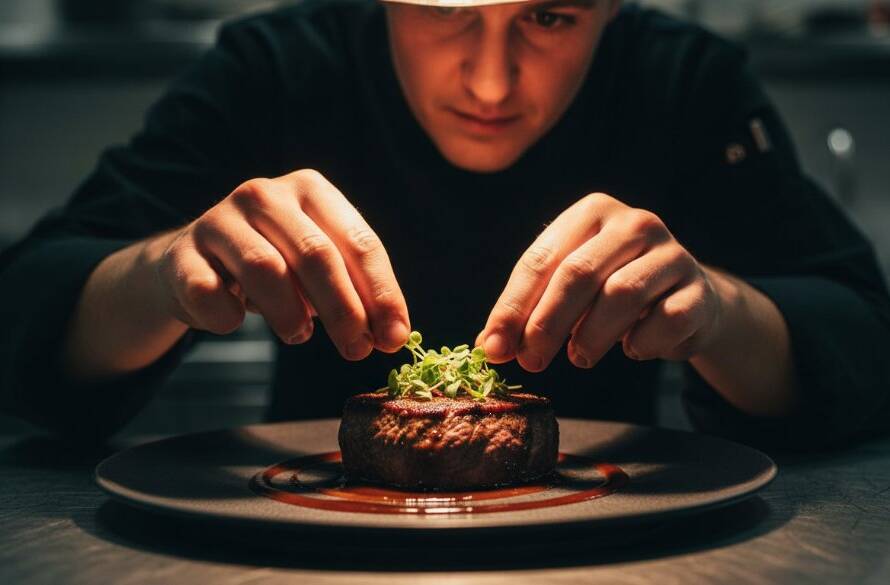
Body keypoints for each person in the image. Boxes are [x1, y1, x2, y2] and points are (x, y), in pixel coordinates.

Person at [1, 0, 888, 448]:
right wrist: (160, 274)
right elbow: (25, 315)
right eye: (442, 10)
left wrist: (722, 314)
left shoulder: (684, 84)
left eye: (550, 15)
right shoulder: (277, 67)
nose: (492, 83)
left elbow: (864, 340)